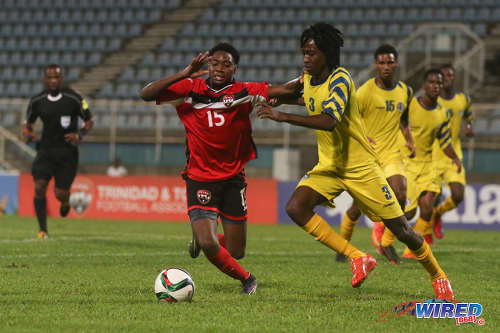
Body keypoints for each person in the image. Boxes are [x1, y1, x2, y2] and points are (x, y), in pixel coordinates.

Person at [257, 23, 454, 299]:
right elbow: (290, 90)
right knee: (295, 207)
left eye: (312, 53)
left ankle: (439, 276)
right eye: (304, 52)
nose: (306, 58)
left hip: (361, 167)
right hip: (330, 166)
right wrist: (261, 94)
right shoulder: (307, 78)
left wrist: (283, 115)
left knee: (402, 230)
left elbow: (329, 120)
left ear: (327, 54)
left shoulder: (341, 79)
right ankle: (357, 257)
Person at [140, 42, 301, 295]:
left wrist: (304, 81)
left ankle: (207, 244)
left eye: (226, 64)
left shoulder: (244, 91)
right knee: (208, 240)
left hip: (233, 178)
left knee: (237, 250)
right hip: (199, 178)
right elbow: (146, 94)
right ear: (208, 65)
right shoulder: (190, 90)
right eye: (214, 63)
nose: (219, 68)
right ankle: (247, 279)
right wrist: (183, 73)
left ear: (234, 68)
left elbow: (281, 91)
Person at [336, 44, 415, 265]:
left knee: (400, 196)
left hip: (391, 154)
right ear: (375, 65)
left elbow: (404, 119)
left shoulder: (405, 91)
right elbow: (348, 119)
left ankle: (386, 242)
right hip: (367, 157)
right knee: (356, 208)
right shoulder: (364, 92)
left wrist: (408, 139)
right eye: (382, 62)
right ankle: (342, 246)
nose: (386, 66)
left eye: (390, 62)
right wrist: (362, 137)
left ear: (396, 63)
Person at [22, 64, 93, 239]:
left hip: (67, 152)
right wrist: (28, 132)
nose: (53, 81)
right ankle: (43, 230)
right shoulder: (37, 100)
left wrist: (79, 135)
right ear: (45, 80)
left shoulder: (74, 98)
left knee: (59, 193)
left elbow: (89, 121)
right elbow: (28, 123)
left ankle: (65, 201)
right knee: (39, 187)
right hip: (45, 150)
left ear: (61, 79)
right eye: (50, 77)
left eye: (56, 77)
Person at [398, 69, 462, 258]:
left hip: (427, 165)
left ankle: (411, 250)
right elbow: (400, 123)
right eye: (432, 82)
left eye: (439, 83)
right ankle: (382, 232)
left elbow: (444, 141)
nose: (436, 86)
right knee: (408, 214)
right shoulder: (411, 105)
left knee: (427, 207)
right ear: (424, 85)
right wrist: (407, 139)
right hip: (408, 163)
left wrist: (455, 157)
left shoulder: (443, 113)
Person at [430, 64, 474, 241]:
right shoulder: (432, 101)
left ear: (454, 78)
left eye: (450, 75)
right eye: (444, 76)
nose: (447, 78)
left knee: (458, 195)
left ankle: (438, 214)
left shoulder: (463, 99)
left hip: (453, 156)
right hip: (433, 155)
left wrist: (469, 127)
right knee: (431, 198)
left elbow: (468, 117)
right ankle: (424, 235)